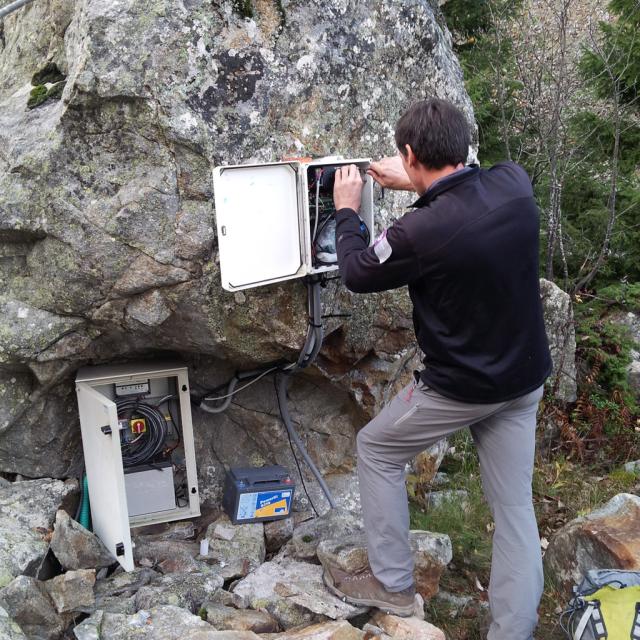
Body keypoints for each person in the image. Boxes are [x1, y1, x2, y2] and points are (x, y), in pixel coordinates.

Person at [319, 97, 552, 640]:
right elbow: (470, 184)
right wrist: (419, 181)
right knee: (514, 508)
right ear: (463, 144)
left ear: (408, 153)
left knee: (377, 448)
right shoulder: (514, 185)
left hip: (461, 388)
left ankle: (395, 585)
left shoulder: (419, 233)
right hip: (523, 379)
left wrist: (348, 209)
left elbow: (356, 270)